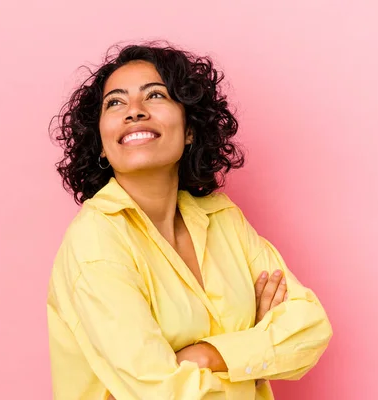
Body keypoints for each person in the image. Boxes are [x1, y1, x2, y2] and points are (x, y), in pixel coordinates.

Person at [46, 42, 332, 400]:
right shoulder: (96, 241)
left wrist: (209, 355)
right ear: (102, 143)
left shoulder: (222, 217)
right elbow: (162, 393)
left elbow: (310, 328)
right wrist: (255, 355)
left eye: (155, 96)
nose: (133, 111)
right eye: (115, 102)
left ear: (191, 128)